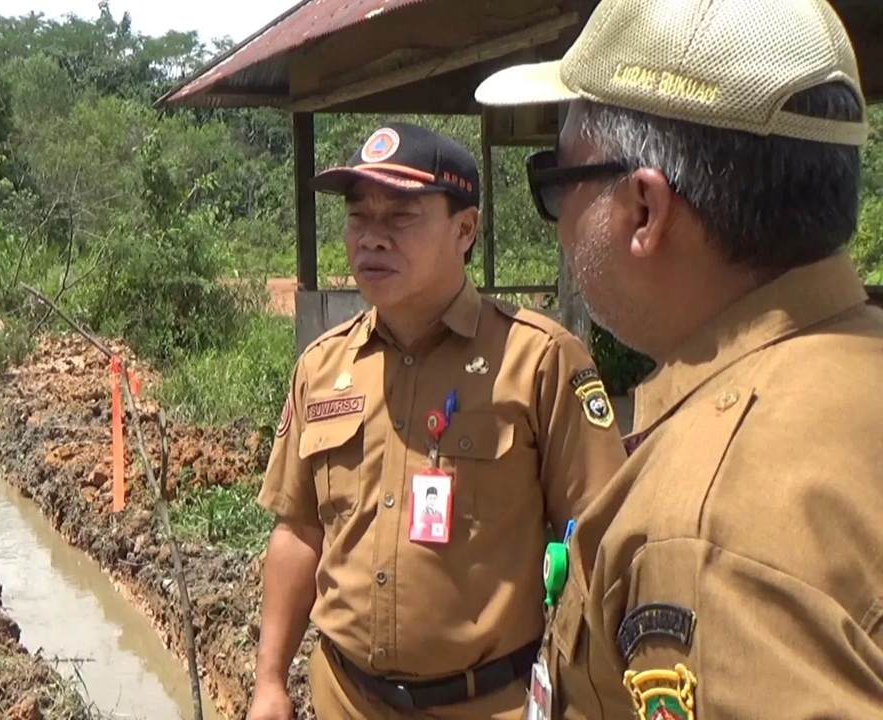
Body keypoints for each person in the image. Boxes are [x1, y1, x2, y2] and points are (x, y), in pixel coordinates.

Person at [474, 0, 883, 717]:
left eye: (557, 180)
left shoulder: (703, 528)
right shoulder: (856, 363)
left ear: (644, 209)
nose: (561, 227)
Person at [246, 121, 629, 720]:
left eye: (401, 217)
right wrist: (270, 681)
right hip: (344, 698)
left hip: (488, 703)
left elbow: (602, 546)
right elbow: (299, 531)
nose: (372, 238)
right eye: (358, 217)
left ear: (464, 229)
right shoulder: (322, 367)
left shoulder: (538, 361)